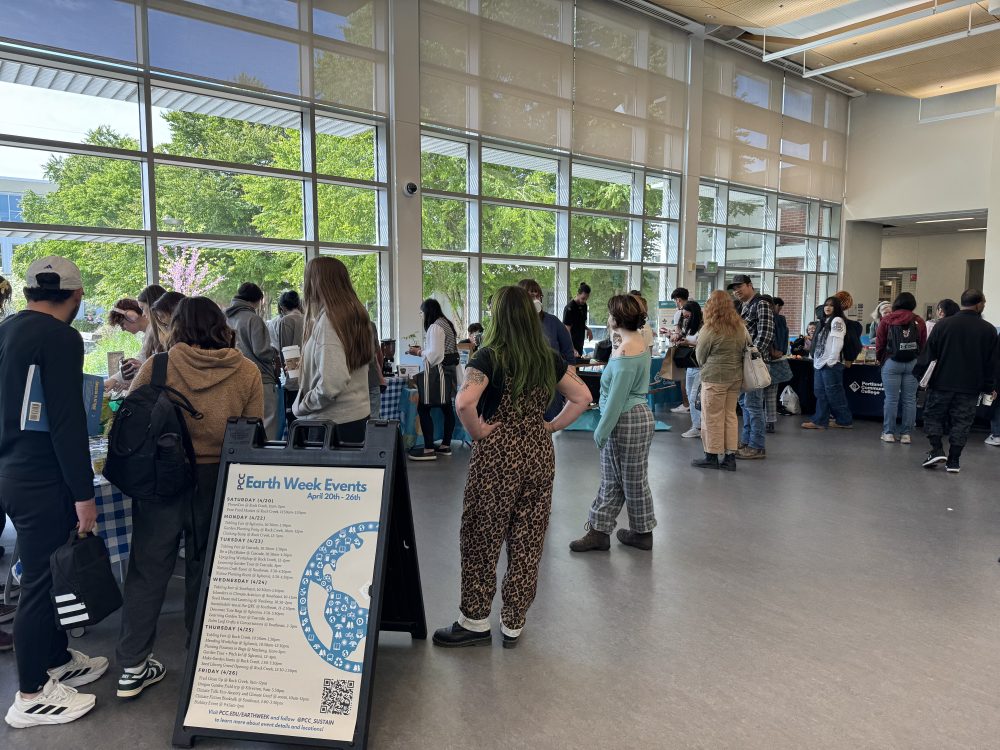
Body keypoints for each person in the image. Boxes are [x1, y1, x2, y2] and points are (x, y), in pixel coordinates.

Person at [115, 297, 263, 699]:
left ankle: (132, 665)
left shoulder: (158, 366)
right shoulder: (246, 371)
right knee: (207, 567)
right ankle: (202, 658)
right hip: (220, 478)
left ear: (176, 327)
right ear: (221, 325)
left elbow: (132, 418)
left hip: (163, 478)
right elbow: (252, 433)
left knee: (148, 569)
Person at [432, 286, 590, 649]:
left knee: (481, 535)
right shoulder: (546, 358)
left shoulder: (488, 356)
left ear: (498, 316)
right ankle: (514, 622)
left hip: (498, 454)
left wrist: (479, 431)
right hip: (538, 451)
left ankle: (474, 622)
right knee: (528, 539)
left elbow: (465, 402)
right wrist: (550, 426)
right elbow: (583, 397)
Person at [0, 256, 108, 727]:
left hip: (9, 469)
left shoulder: (7, 330)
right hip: (42, 477)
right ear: (77, 296)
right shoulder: (62, 339)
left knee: (38, 570)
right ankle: (30, 693)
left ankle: (56, 659)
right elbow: (66, 422)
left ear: (26, 294)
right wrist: (83, 494)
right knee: (41, 583)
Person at [569, 295, 655, 553]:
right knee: (628, 480)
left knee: (618, 480)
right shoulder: (637, 341)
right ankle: (616, 530)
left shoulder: (626, 351)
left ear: (616, 319)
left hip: (625, 419)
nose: (607, 319)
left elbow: (616, 398)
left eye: (609, 315)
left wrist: (601, 431)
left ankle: (607, 531)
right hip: (636, 417)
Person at [293, 258, 374, 445]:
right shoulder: (356, 314)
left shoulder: (328, 321)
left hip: (330, 425)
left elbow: (332, 383)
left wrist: (303, 405)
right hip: (356, 419)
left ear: (315, 283)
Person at [919, 290, 997, 474]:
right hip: (971, 387)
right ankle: (954, 460)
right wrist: (989, 387)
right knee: (962, 422)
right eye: (984, 302)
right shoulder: (988, 330)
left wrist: (921, 378)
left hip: (941, 383)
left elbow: (928, 355)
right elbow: (992, 363)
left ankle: (937, 449)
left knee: (933, 416)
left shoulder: (943, 325)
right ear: (978, 304)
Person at [691, 290, 746, 470]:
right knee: (730, 415)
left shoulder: (710, 328)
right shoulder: (739, 327)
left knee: (712, 417)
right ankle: (730, 457)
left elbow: (700, 355)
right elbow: (747, 346)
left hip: (715, 377)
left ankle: (712, 456)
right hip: (735, 376)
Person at [407, 298, 459, 461]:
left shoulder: (435, 326)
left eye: (422, 313)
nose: (421, 316)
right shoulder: (446, 323)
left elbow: (435, 355)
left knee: (424, 407)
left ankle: (428, 449)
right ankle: (445, 445)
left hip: (438, 372)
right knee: (446, 407)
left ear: (428, 312)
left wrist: (418, 352)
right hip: (450, 370)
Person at [225, 282, 280, 440]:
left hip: (233, 377)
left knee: (243, 426)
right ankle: (266, 462)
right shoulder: (253, 319)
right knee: (267, 423)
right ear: (255, 300)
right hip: (260, 377)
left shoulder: (225, 317)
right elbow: (262, 351)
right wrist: (275, 352)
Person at [729, 274, 774, 459]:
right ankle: (747, 442)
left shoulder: (761, 304)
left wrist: (752, 356)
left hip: (755, 364)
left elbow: (766, 333)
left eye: (740, 287)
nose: (737, 291)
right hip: (744, 363)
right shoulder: (743, 307)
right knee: (745, 404)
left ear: (749, 285)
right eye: (734, 288)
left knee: (754, 405)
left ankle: (757, 445)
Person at [518, 279, 575, 420]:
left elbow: (568, 351)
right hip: (523, 385)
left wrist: (571, 383)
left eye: (538, 296)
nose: (536, 300)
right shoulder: (515, 324)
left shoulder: (552, 321)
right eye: (531, 296)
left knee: (549, 425)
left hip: (551, 387)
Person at [875, 292, 927, 444]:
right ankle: (906, 435)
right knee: (910, 399)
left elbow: (880, 343)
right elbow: (923, 344)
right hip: (912, 363)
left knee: (891, 399)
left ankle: (888, 433)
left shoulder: (887, 319)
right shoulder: (919, 321)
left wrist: (881, 359)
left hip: (891, 361)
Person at [801, 296, 854, 430]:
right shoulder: (824, 322)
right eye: (826, 305)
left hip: (831, 364)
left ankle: (844, 420)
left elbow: (838, 341)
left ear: (836, 308)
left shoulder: (837, 320)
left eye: (831, 305)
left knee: (834, 393)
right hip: (820, 363)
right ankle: (820, 421)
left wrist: (831, 360)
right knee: (820, 392)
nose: (827, 307)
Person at [267, 289, 305, 428]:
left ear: (282, 307)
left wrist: (288, 373)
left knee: (294, 418)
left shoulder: (286, 320)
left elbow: (287, 350)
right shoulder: (308, 318)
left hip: (294, 375)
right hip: (309, 375)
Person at [104, 298, 150, 392]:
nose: (123, 329)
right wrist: (114, 380)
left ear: (132, 316)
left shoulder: (156, 334)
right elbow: (141, 360)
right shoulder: (148, 336)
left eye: (122, 324)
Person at [677, 300, 703, 439]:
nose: (685, 319)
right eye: (684, 317)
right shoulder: (689, 327)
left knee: (694, 397)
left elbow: (703, 344)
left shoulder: (704, 326)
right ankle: (696, 425)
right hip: (690, 364)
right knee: (690, 395)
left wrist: (688, 342)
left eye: (687, 316)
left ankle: (698, 426)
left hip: (700, 366)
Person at [665, 287, 691, 412]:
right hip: (694, 350)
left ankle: (686, 404)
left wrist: (669, 334)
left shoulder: (679, 313)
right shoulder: (697, 310)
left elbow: (678, 334)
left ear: (678, 299)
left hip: (684, 350)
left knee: (683, 378)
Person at [137, 284, 167, 359]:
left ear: (151, 305)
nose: (143, 314)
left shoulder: (171, 333)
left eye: (142, 308)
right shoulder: (152, 330)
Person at [562, 281, 592, 357]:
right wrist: (572, 348)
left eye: (586, 299)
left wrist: (588, 329)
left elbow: (580, 322)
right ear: (578, 294)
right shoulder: (570, 308)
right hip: (571, 344)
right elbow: (566, 330)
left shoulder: (584, 305)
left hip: (580, 342)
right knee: (571, 367)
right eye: (583, 298)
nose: (584, 301)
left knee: (578, 366)